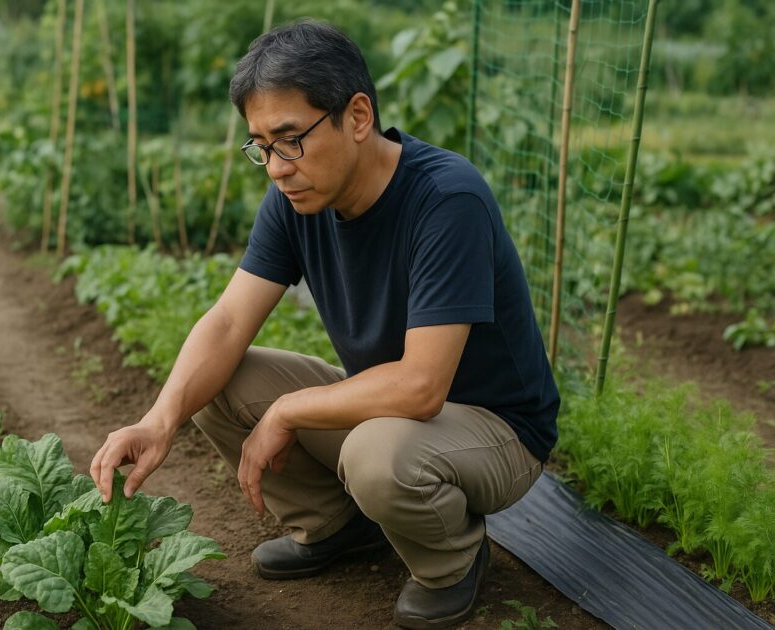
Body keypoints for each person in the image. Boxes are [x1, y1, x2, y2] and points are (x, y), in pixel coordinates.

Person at [90, 19, 559, 629]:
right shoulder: (297, 198)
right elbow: (229, 320)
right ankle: (338, 525)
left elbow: (421, 387)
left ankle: (452, 561)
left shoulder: (446, 199)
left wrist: (287, 411)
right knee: (216, 382)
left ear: (357, 116)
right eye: (261, 145)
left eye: (290, 140)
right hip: (390, 410)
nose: (275, 167)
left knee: (376, 454)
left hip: (495, 431)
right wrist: (159, 419)